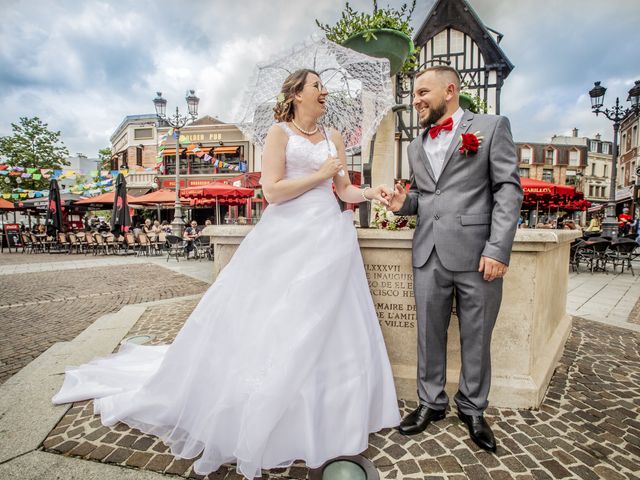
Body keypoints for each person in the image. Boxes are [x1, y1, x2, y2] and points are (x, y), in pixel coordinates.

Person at [52, 68, 400, 479]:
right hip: (286, 237)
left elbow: (344, 191)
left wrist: (373, 193)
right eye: (317, 86)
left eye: (324, 86)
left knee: (329, 322)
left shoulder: (334, 138)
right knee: (276, 319)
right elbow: (272, 191)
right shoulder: (278, 134)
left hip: (329, 237)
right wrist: (319, 175)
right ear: (296, 95)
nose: (325, 92)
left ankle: (328, 411)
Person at [388, 65, 523, 452]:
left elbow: (508, 192)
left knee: (477, 336)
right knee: (429, 333)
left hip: (478, 255)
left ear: (450, 91)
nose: (415, 101)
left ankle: (473, 408)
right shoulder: (416, 146)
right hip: (428, 252)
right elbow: (423, 197)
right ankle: (430, 403)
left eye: (422, 92)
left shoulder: (491, 127)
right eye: (414, 94)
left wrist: (497, 249)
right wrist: (403, 203)